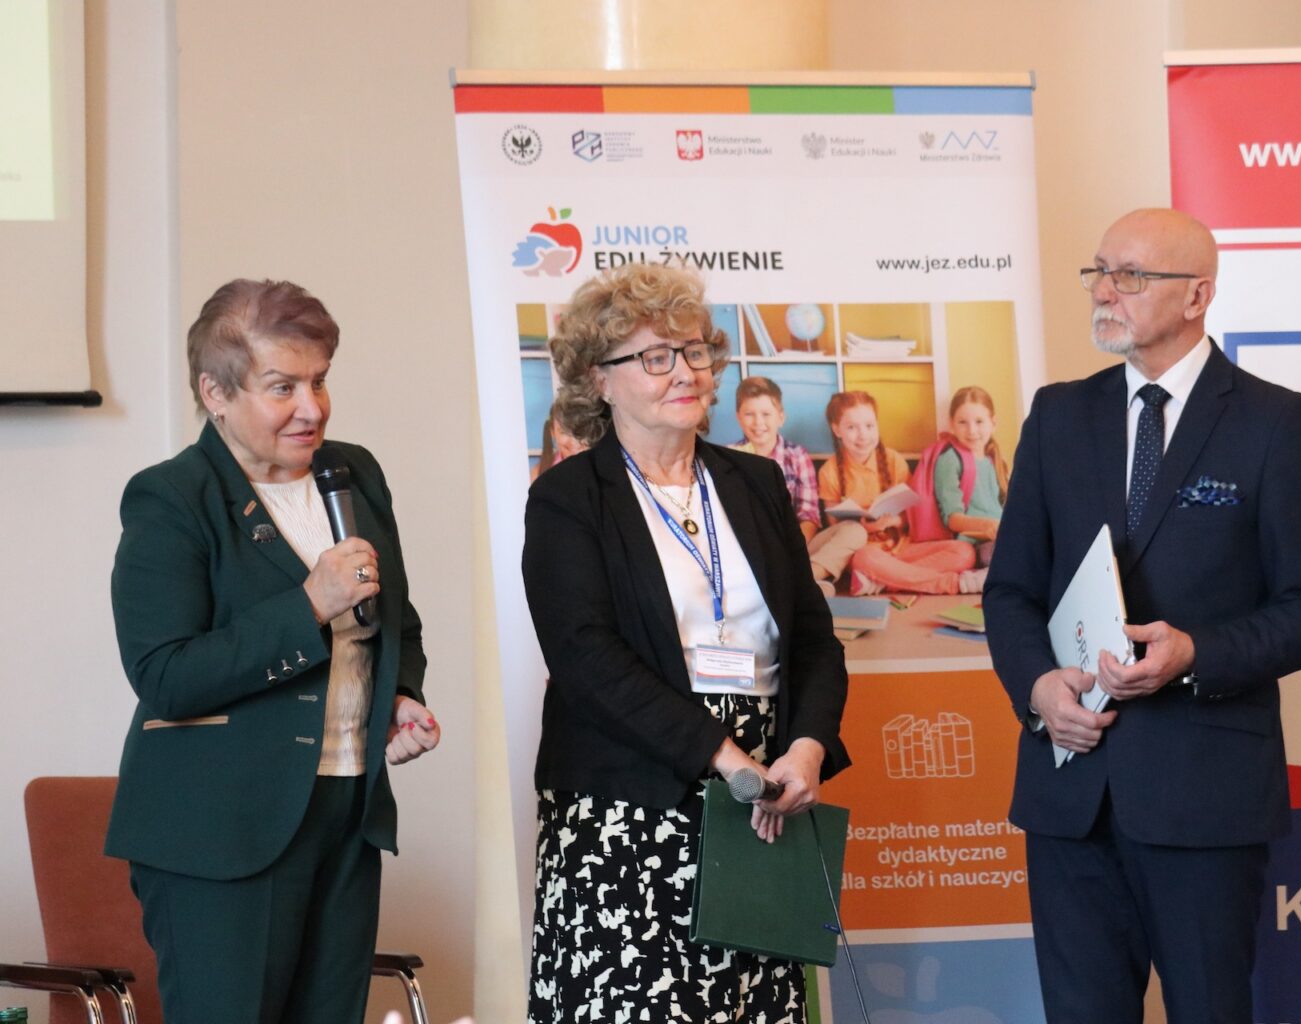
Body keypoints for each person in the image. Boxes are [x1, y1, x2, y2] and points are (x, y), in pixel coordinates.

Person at [984, 208, 1301, 1023]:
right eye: (1100, 271)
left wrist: (1195, 653)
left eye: (1132, 276)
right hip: (1070, 794)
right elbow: (1009, 591)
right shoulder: (1058, 416)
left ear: (1197, 296)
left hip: (1205, 798)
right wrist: (1037, 689)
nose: (1104, 291)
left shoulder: (1274, 423)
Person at [521, 263, 850, 1023]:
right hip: (631, 806)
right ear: (599, 380)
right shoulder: (567, 499)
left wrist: (806, 749)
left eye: (695, 351)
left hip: (764, 802)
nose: (685, 372)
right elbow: (586, 660)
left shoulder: (756, 483)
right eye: (655, 356)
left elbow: (813, 641)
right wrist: (724, 759)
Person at [106, 279, 441, 1024]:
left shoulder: (354, 473)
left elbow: (398, 622)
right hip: (220, 828)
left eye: (319, 381)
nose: (312, 408)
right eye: (282, 387)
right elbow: (165, 674)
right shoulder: (171, 497)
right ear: (216, 393)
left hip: (347, 811)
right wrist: (309, 606)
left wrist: (399, 696)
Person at [818, 390, 979, 596]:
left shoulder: (893, 460)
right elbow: (835, 530)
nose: (863, 435)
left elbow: (911, 516)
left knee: (964, 552)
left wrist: (893, 521)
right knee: (865, 559)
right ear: (837, 430)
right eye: (852, 427)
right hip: (865, 554)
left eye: (869, 426)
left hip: (902, 548)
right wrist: (868, 527)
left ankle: (884, 580)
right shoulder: (829, 472)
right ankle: (948, 583)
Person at [730, 375, 864, 595]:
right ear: (738, 417)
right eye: (749, 414)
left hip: (794, 547)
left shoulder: (797, 456)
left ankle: (802, 580)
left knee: (854, 531)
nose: (758, 422)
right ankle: (797, 586)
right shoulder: (729, 458)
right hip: (750, 551)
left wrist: (788, 550)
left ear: (780, 417)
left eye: (766, 414)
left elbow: (809, 516)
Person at [929, 385, 1010, 566]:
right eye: (962, 422)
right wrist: (986, 525)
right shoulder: (950, 459)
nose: (972, 430)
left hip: (1002, 535)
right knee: (998, 555)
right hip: (976, 542)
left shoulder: (995, 459)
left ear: (993, 423)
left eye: (979, 422)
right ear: (951, 424)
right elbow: (953, 520)